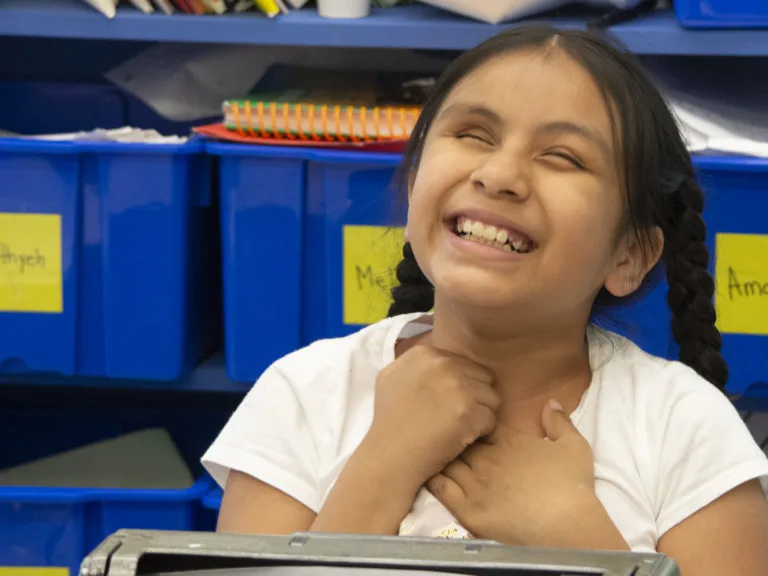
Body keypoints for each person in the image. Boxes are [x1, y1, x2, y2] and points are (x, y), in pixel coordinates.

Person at [202, 26, 768, 574]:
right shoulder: (304, 397)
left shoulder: (683, 427)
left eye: (563, 157)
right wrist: (381, 469)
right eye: (473, 134)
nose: (499, 175)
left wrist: (575, 535)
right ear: (416, 185)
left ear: (630, 255)